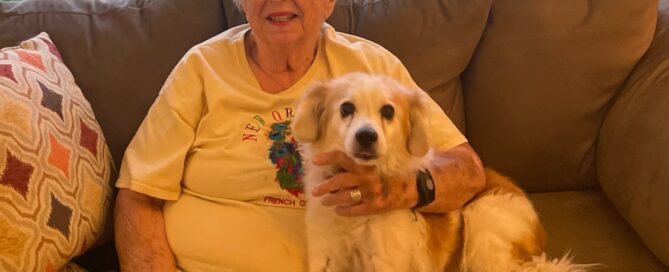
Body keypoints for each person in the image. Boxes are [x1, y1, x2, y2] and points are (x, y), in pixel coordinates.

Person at [114, 0, 486, 271]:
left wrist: (397, 190)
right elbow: (139, 194)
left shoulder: (373, 68)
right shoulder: (201, 68)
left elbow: (467, 170)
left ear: (328, 3)